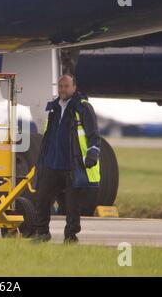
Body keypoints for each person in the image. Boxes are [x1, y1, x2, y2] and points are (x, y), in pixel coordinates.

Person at [32, 74, 101, 244]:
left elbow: (94, 136)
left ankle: (70, 236)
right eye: (60, 86)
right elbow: (49, 135)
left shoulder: (83, 107)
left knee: (71, 205)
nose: (63, 89)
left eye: (66, 86)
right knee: (42, 198)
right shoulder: (54, 107)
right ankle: (42, 233)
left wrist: (92, 154)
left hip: (72, 164)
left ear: (74, 87)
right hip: (52, 163)